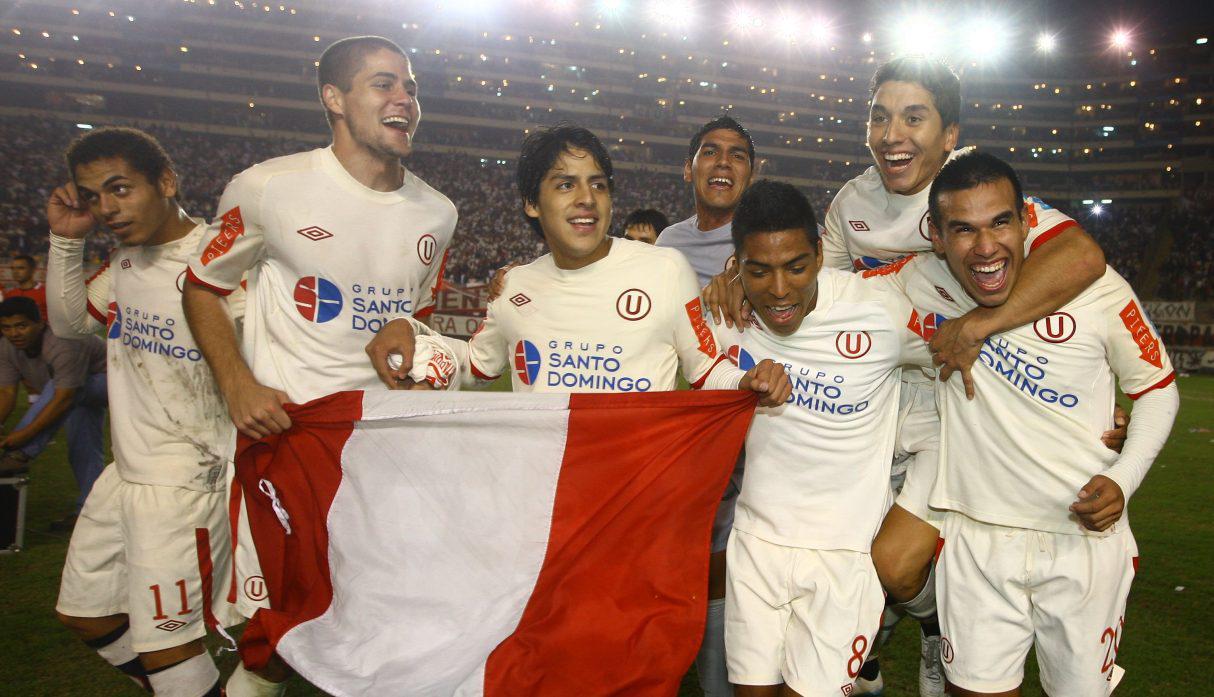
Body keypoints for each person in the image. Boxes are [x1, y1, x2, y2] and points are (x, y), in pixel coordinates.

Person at [703, 56, 1114, 697]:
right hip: (886, 395)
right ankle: (903, 630)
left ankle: (932, 630)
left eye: (913, 117)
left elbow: (1081, 256)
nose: (892, 132)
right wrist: (745, 276)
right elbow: (822, 291)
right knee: (867, 560)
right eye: (880, 116)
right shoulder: (853, 201)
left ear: (950, 135)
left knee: (893, 563)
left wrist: (976, 328)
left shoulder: (971, 190)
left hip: (971, 400)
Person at [183, 35, 456, 697]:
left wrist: (422, 348)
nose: (405, 100)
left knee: (391, 630)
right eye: (384, 84)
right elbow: (201, 285)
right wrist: (236, 380)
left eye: (411, 87)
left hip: (386, 457)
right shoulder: (269, 188)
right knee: (275, 641)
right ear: (334, 99)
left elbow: (419, 322)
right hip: (288, 449)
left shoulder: (438, 213)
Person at [900, 151, 1178, 696]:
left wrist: (1124, 479)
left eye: (1000, 222)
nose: (985, 248)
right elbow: (821, 291)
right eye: (963, 230)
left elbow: (1157, 390)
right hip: (977, 539)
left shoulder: (1098, 289)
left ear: (1028, 222)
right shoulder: (914, 285)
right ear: (936, 235)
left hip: (1082, 541)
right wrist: (737, 279)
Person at [367, 123, 787, 409]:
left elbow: (706, 368)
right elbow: (477, 366)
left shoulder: (665, 269)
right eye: (565, 184)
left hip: (630, 497)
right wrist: (414, 331)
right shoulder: (515, 285)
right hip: (544, 499)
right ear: (533, 203)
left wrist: (748, 381)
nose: (586, 198)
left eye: (597, 184)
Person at [43, 125, 241, 697]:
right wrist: (65, 241)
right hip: (124, 474)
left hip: (185, 483)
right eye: (93, 196)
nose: (106, 207)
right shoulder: (128, 262)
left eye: (120, 189)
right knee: (86, 616)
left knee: (169, 645)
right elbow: (71, 325)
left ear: (166, 181)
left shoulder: (225, 259)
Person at [716, 180, 932, 697]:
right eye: (758, 270)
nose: (780, 290)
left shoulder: (880, 311)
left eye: (795, 266)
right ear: (737, 264)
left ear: (819, 254)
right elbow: (692, 380)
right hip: (755, 545)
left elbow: (966, 351)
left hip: (844, 554)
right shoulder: (726, 315)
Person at [0, 297, 106, 526]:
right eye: (6, 327)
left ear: (40, 323)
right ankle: (91, 514)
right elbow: (7, 394)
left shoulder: (62, 342)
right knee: (82, 449)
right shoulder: (6, 348)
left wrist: (23, 437)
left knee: (62, 389)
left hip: (114, 383)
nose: (14, 333)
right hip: (77, 390)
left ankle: (20, 454)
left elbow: (63, 398)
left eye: (21, 325)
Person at [7, 254, 48, 322]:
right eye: (12, 268)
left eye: (21, 268)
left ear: (33, 270)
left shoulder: (46, 294)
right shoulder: (10, 294)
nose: (15, 272)